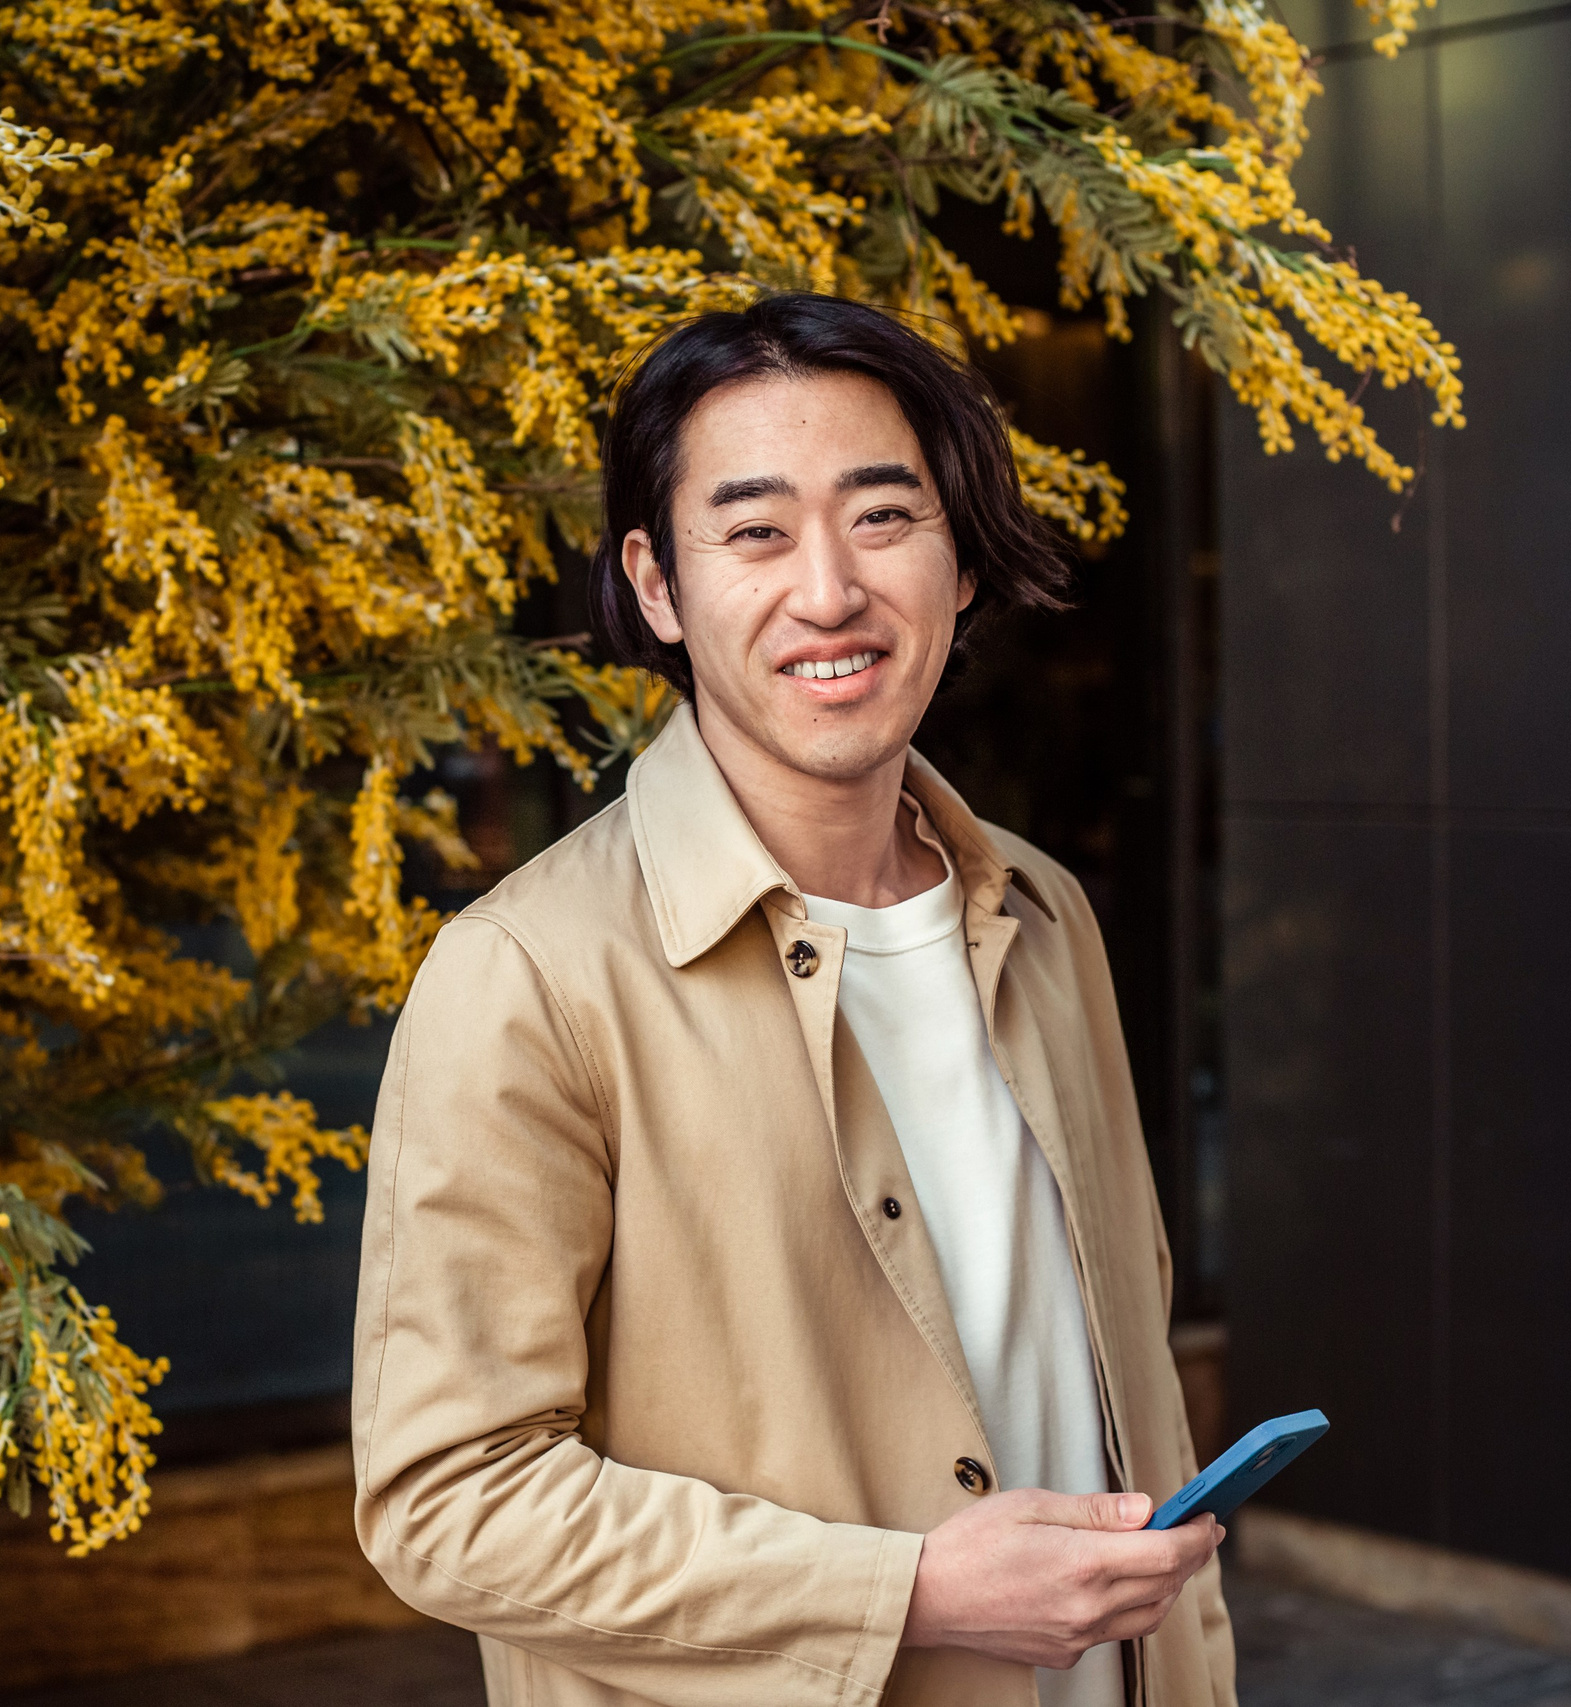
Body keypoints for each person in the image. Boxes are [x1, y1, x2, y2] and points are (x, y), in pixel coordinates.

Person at [351, 292, 1235, 1707]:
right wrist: (910, 1596)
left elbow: (1123, 1388)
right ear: (657, 586)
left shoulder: (1048, 920)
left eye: (883, 518)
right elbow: (451, 1503)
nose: (829, 591)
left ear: (956, 563)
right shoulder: (528, 980)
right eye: (755, 533)